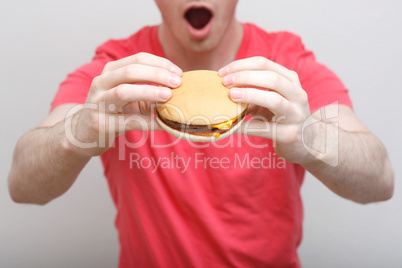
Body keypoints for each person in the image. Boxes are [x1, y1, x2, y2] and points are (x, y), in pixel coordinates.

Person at [8, 0, 394, 267]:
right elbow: (22, 185)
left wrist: (311, 140)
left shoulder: (286, 67)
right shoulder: (116, 75)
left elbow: (380, 181)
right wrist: (80, 130)